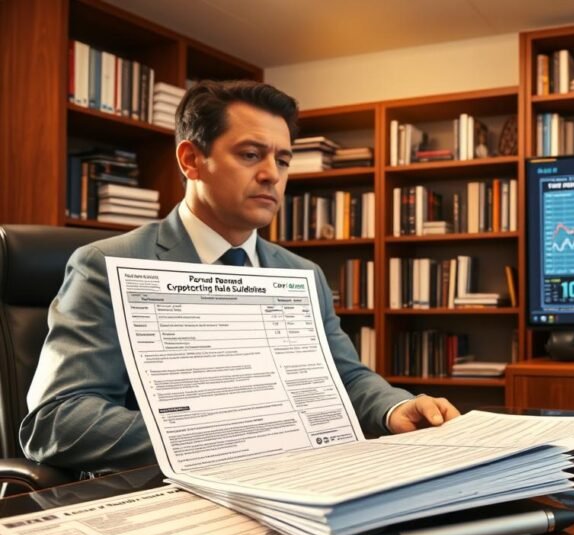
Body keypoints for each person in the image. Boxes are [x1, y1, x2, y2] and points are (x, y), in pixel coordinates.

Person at [20, 80, 459, 474]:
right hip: (171, 495)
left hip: (297, 480)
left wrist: (394, 407)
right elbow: (57, 419)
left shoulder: (300, 273)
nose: (272, 174)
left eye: (283, 160)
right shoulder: (106, 263)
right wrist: (223, 439)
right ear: (192, 159)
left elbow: (345, 377)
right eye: (250, 155)